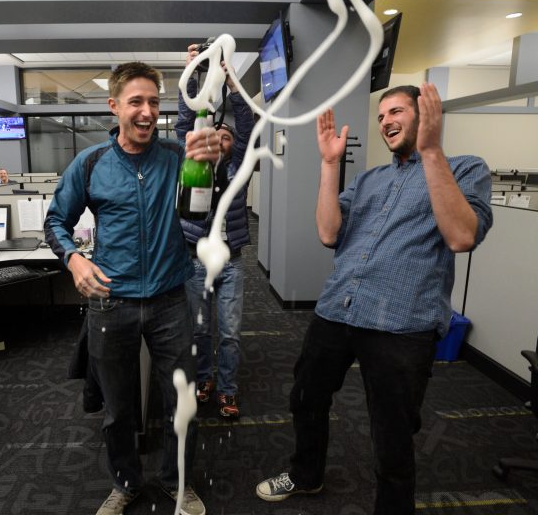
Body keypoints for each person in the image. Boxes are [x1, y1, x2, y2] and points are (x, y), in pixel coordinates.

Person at [256, 84, 493, 514]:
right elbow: (328, 233)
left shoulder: (465, 168)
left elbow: (461, 236)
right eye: (381, 116)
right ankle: (307, 475)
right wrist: (330, 165)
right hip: (337, 309)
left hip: (402, 323)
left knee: (392, 431)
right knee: (306, 396)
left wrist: (433, 152)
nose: (385, 122)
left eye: (396, 111)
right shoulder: (369, 180)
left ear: (426, 115)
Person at [44, 61, 214, 515]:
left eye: (154, 102)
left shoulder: (179, 157)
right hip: (110, 302)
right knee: (119, 409)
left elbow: (201, 217)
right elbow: (55, 221)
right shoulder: (93, 162)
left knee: (182, 403)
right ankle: (125, 482)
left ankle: (179, 483)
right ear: (114, 106)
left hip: (169, 300)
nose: (145, 112)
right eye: (135, 101)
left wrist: (215, 165)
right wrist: (74, 258)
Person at [175, 44, 255, 418]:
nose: (220, 139)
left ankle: (227, 389)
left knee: (230, 334)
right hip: (194, 260)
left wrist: (233, 80)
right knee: (199, 331)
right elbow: (182, 124)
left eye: (226, 137)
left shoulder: (238, 168)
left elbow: (248, 126)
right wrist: (192, 72)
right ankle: (204, 379)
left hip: (232, 263)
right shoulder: (192, 160)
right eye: (215, 134)